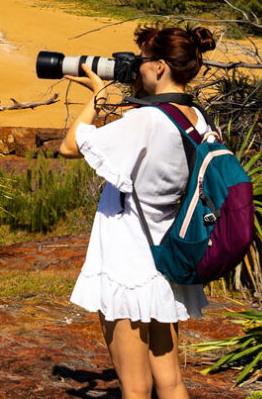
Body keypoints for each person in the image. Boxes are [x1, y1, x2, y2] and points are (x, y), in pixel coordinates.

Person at [57, 26, 219, 399]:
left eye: (142, 61)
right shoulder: (195, 117)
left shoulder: (146, 121)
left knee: (134, 387)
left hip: (126, 265)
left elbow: (70, 146)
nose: (135, 67)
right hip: (164, 258)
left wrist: (98, 95)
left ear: (160, 67)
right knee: (171, 380)